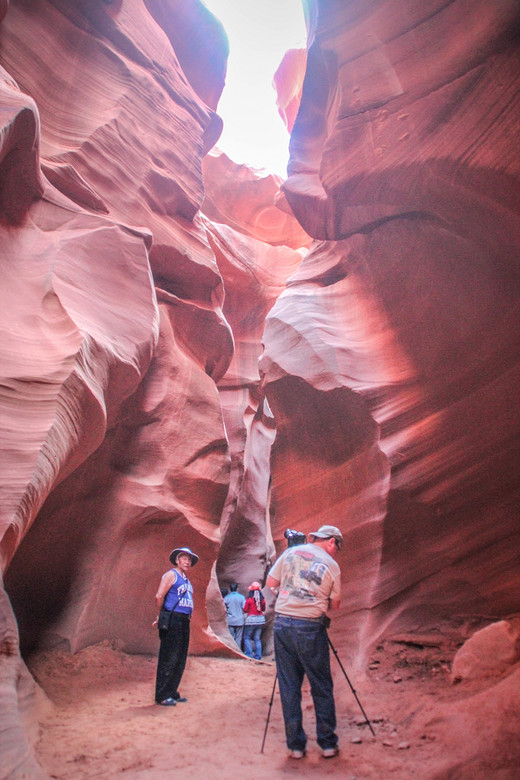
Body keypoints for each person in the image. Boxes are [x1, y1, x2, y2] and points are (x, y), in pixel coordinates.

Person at [266, 525, 343, 760]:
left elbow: (271, 583)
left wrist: (285, 597)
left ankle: (296, 746)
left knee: (289, 686)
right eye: (337, 547)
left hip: (282, 625)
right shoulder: (331, 565)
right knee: (321, 685)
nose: (336, 552)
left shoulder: (290, 553)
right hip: (310, 627)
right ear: (331, 542)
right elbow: (336, 604)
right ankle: (328, 743)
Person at [154, 546, 198, 706]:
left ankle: (172, 691)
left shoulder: (185, 578)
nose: (188, 561)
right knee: (169, 657)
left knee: (180, 658)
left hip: (184, 620)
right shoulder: (171, 575)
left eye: (189, 559)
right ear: (177, 560)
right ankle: (162, 695)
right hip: (173, 619)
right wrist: (160, 615)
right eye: (184, 558)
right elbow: (159, 595)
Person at [243, 581, 266, 660]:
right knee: (257, 638)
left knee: (247, 637)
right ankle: (258, 656)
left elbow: (245, 610)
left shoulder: (249, 600)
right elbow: (263, 609)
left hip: (251, 620)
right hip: (261, 620)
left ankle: (249, 655)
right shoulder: (263, 600)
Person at [223, 582, 246, 648]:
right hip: (239, 620)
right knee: (238, 638)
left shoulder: (227, 598)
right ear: (237, 589)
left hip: (230, 620)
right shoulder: (241, 597)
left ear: (230, 589)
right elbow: (244, 608)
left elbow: (223, 607)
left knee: (231, 637)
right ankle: (238, 651)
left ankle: (233, 650)